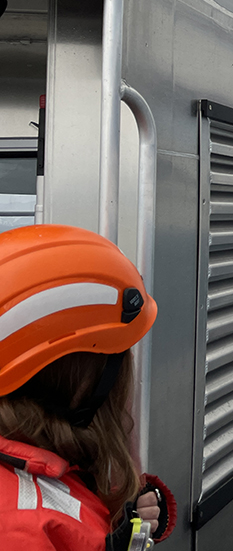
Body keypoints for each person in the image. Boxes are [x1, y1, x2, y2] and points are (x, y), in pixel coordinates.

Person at [0, 224, 174, 549]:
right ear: (81, 381)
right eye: (121, 359)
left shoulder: (39, 461)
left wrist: (125, 519)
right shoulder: (18, 527)